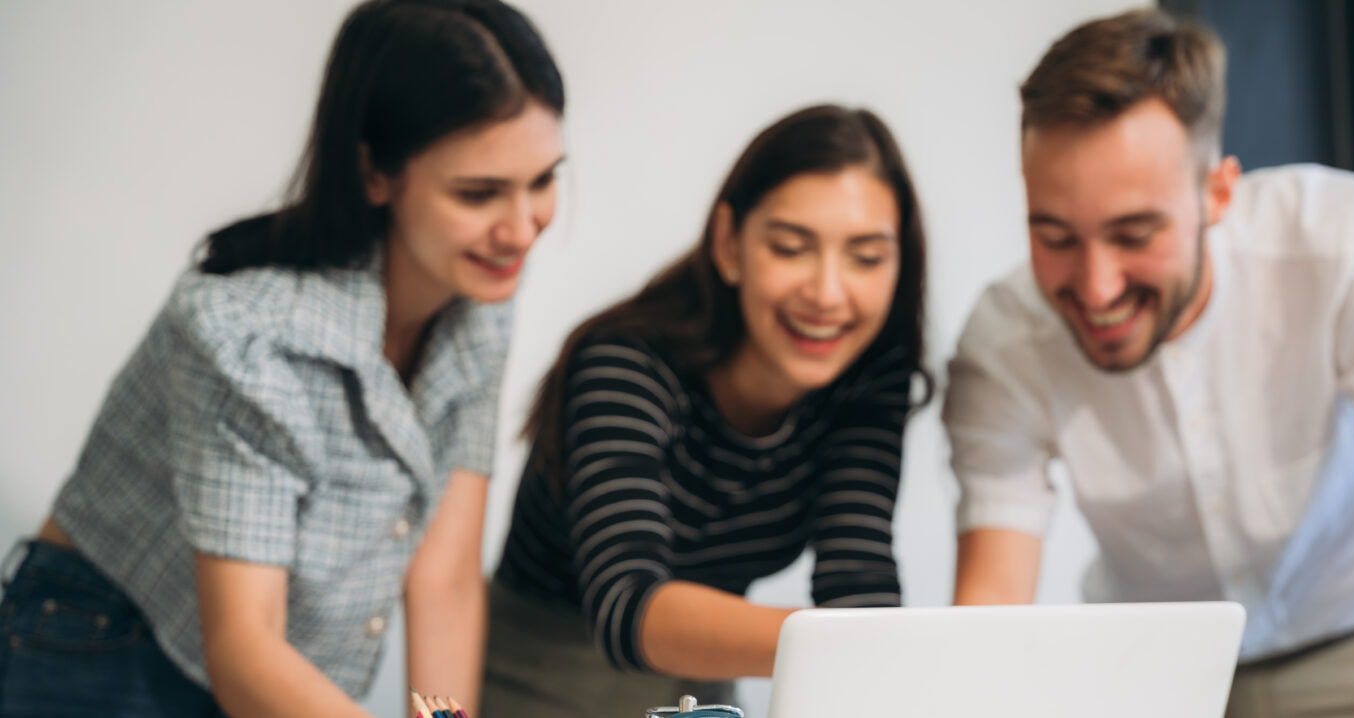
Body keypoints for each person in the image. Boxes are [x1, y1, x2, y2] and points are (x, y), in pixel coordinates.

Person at [945, 9, 1354, 717]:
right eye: (1055, 236)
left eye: (1134, 233)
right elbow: (991, 607)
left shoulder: (1353, 240)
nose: (1095, 287)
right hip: (1155, 674)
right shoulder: (1003, 340)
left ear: (1217, 192)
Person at [0, 1, 565, 715]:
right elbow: (245, 649)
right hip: (105, 648)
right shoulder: (242, 333)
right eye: (479, 193)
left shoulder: (481, 289)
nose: (521, 229)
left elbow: (445, 576)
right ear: (374, 172)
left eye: (543, 180)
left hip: (276, 679)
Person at [482, 104, 931, 718]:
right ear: (729, 245)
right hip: (540, 675)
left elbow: (859, 580)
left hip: (703, 686)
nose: (828, 293)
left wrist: (874, 647)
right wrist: (855, 644)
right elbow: (628, 607)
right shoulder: (625, 364)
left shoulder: (869, 378)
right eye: (792, 247)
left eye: (867, 257)